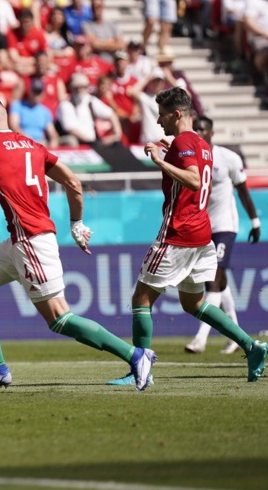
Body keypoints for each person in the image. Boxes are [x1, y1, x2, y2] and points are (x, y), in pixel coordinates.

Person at [0, 96, 157, 392]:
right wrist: (77, 224)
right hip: (19, 239)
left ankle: (136, 355)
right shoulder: (32, 145)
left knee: (59, 318)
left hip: (30, 240)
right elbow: (74, 183)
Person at [106, 88, 267, 386]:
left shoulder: (183, 143)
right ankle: (252, 346)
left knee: (141, 299)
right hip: (201, 236)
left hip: (177, 235)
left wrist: (160, 161)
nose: (158, 121)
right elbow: (192, 167)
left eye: (163, 115)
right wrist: (171, 153)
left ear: (177, 114)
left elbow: (192, 180)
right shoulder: (202, 145)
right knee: (193, 304)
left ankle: (139, 369)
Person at [185, 116, 261, 354]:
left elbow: (243, 191)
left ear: (211, 133)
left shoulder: (228, 158)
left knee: (213, 279)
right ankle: (237, 337)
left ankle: (200, 338)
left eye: (202, 130)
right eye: (194, 129)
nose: (198, 133)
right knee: (221, 282)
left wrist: (255, 220)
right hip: (202, 226)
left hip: (225, 225)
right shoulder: (189, 158)